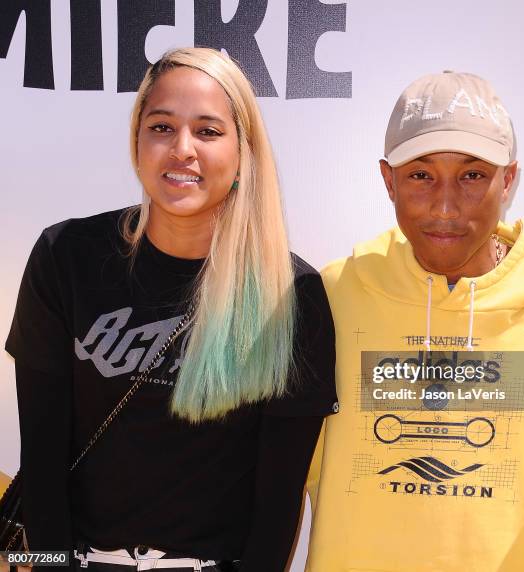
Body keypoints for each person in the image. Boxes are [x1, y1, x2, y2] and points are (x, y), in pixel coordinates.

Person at [5, 47, 337, 572]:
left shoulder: (290, 296)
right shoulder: (65, 257)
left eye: (207, 131)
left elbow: (276, 509)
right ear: (138, 139)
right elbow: (42, 464)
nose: (182, 149)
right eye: (162, 126)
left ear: (243, 150)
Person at [305, 72, 524, 571]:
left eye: (472, 175)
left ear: (508, 179)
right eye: (421, 176)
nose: (445, 207)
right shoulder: (327, 304)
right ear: (388, 180)